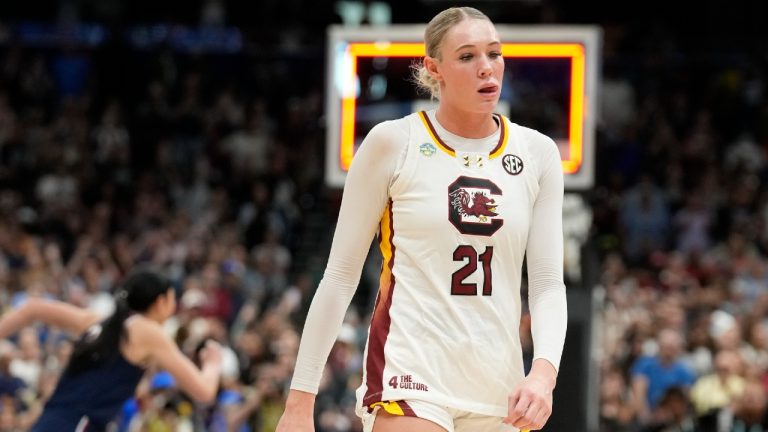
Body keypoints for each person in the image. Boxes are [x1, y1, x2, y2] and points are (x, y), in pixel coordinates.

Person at [277, 6, 567, 432]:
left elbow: (545, 283)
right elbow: (339, 277)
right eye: (467, 57)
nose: (486, 68)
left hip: (498, 384)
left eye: (494, 53)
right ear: (435, 69)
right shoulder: (393, 142)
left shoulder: (537, 153)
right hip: (409, 371)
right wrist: (300, 401)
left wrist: (544, 373)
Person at [0, 268, 224, 431]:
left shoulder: (99, 321)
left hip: (51, 421)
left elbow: (32, 308)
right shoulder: (148, 331)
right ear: (160, 302)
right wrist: (213, 363)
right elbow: (203, 391)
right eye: (172, 300)